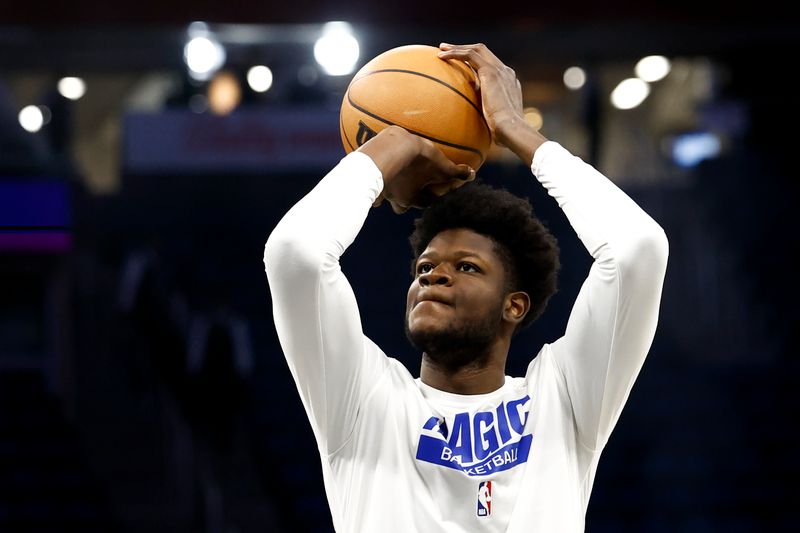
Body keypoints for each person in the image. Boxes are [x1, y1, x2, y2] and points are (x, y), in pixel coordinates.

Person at [264, 43, 668, 532]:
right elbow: (295, 253)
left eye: (467, 267)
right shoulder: (363, 402)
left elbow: (638, 249)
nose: (433, 275)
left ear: (514, 305)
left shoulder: (563, 402)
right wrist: (392, 145)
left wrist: (516, 131)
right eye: (424, 268)